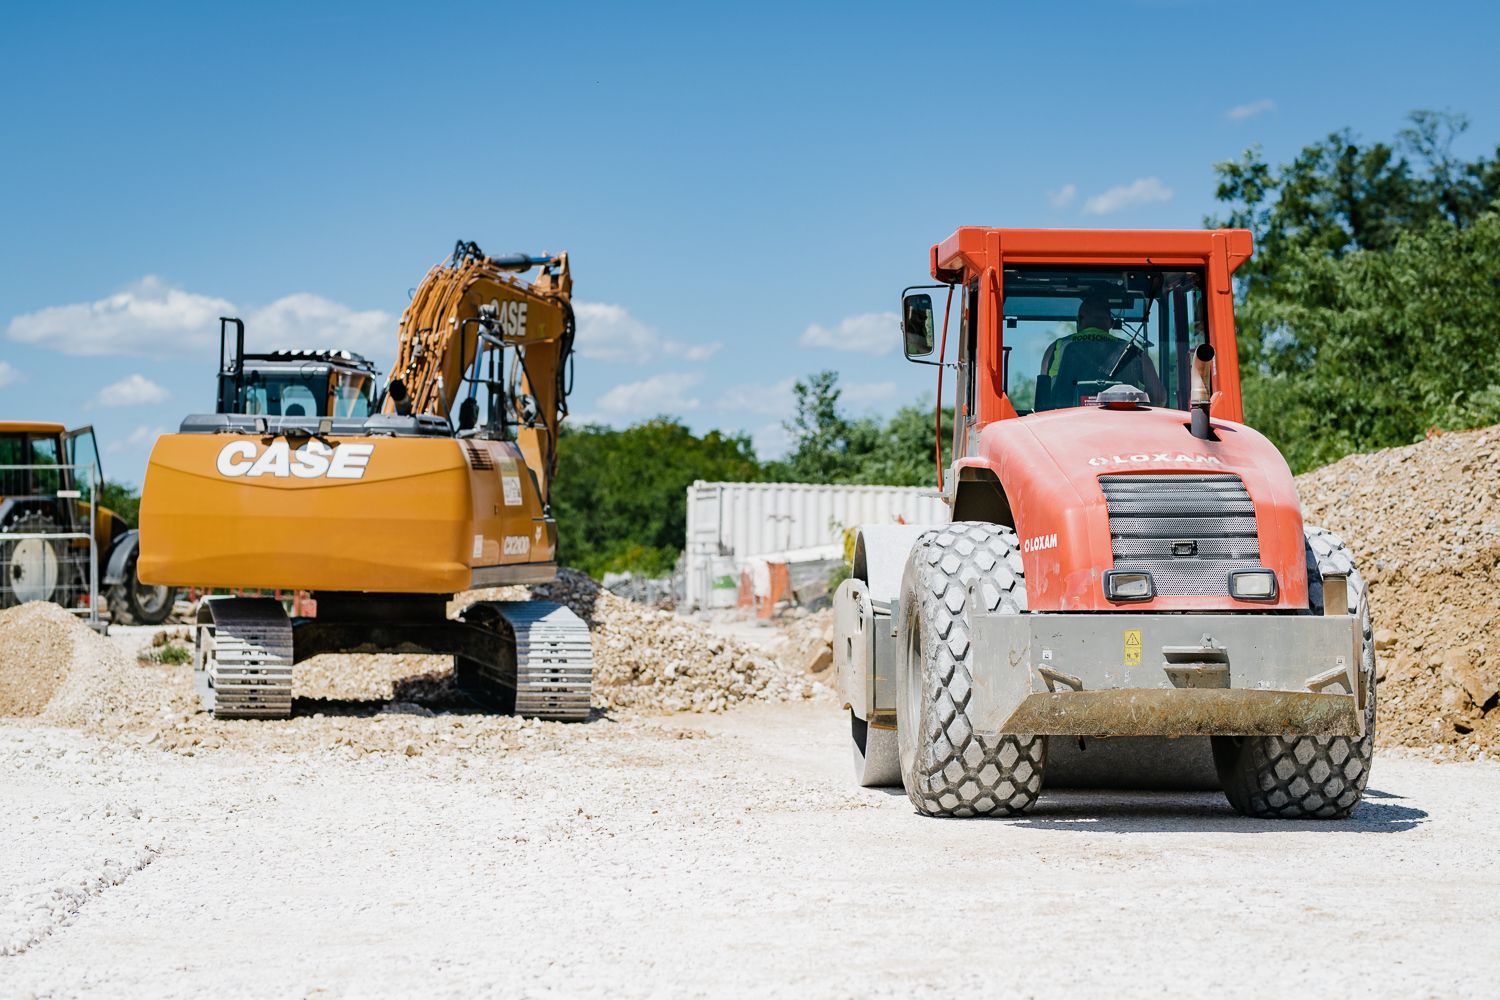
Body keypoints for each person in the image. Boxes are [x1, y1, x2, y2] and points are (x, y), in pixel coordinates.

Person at [1039, 293, 1165, 407]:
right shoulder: (1132, 351)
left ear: (1079, 320)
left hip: (1065, 426)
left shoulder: (1056, 348)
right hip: (1122, 426)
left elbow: (1042, 399)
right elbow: (1158, 398)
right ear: (1111, 323)